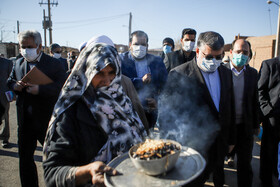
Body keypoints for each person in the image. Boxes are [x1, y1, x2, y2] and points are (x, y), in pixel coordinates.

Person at [43, 40, 147, 187]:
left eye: (111, 72)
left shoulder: (122, 101)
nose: (107, 80)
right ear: (88, 71)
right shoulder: (72, 109)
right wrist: (86, 172)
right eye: (99, 72)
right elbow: (52, 173)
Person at [158, 31, 235, 187]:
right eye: (209, 57)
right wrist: (171, 149)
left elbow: (229, 107)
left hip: (219, 143)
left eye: (218, 57)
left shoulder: (226, 73)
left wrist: (231, 139)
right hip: (192, 147)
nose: (214, 61)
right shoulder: (179, 75)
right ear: (198, 51)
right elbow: (166, 116)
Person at [7, 30, 66, 187]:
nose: (26, 50)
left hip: (47, 121)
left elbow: (61, 87)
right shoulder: (18, 63)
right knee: (25, 159)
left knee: (55, 159)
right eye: (22, 46)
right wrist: (15, 86)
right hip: (25, 121)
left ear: (39, 46)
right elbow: (10, 81)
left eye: (29, 46)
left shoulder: (54, 64)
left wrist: (40, 90)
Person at [224, 39, 260, 187]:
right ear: (231, 52)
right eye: (238, 51)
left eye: (245, 52)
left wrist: (256, 124)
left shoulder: (252, 73)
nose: (242, 55)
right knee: (218, 163)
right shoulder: (221, 72)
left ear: (249, 55)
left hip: (245, 127)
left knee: (245, 164)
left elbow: (255, 101)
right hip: (225, 127)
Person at [120, 30, 168, 129]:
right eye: (136, 44)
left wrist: (158, 101)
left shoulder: (157, 61)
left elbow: (165, 86)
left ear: (147, 46)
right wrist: (140, 81)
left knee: (148, 140)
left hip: (150, 111)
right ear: (130, 45)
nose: (140, 47)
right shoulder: (121, 60)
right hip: (127, 111)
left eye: (143, 44)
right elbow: (119, 82)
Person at [258, 54, 280, 187]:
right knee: (268, 152)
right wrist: (267, 111)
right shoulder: (270, 64)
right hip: (273, 118)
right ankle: (265, 180)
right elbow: (260, 90)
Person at [0, 56, 13, 148]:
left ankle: (5, 138)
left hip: (3, 94)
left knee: (5, 116)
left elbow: (11, 79)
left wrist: (12, 93)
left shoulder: (7, 63)